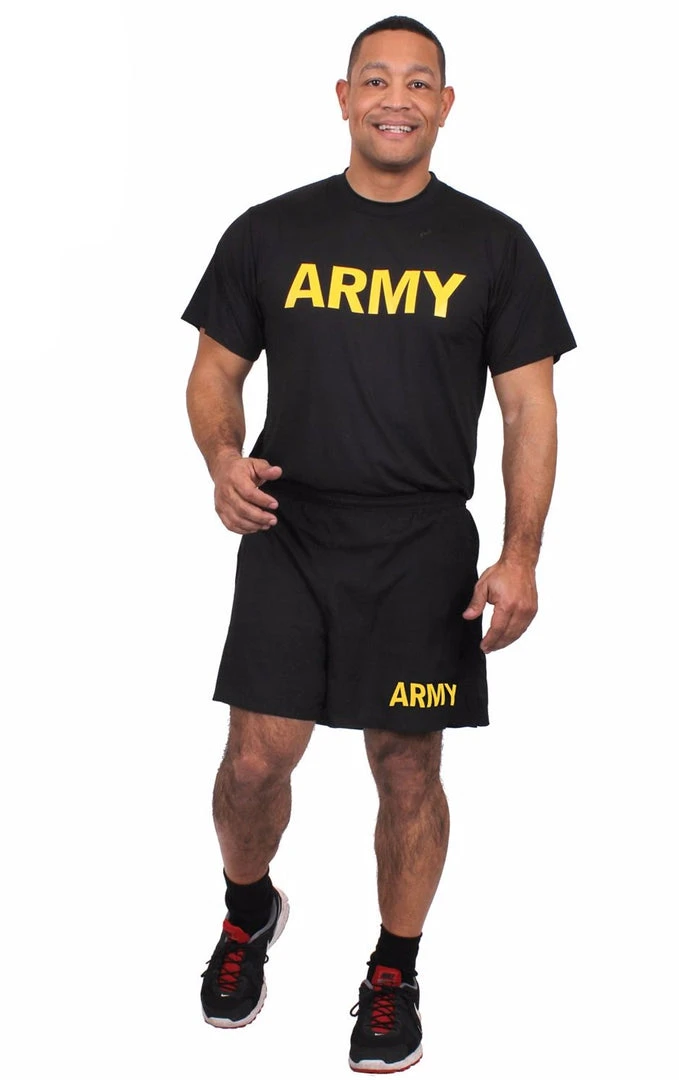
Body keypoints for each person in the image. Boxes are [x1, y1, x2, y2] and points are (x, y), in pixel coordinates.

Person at [181, 14, 576, 1073]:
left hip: (421, 548)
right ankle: (248, 911)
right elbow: (215, 372)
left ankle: (394, 969)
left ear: (445, 105)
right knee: (254, 761)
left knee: (406, 771)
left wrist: (522, 552)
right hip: (292, 529)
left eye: (417, 82)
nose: (395, 98)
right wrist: (222, 458)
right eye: (375, 79)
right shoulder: (270, 231)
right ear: (343, 96)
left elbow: (529, 409)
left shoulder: (493, 245)